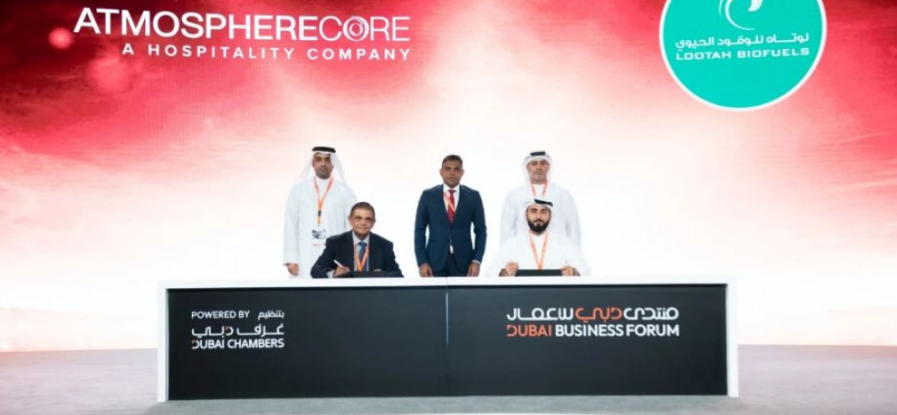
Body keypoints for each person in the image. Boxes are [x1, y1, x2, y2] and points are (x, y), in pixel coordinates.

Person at [283, 146, 357, 278]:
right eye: (319, 159)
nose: (323, 163)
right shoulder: (298, 190)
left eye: (327, 160)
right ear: (313, 163)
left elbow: (351, 226)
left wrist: (345, 258)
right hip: (304, 255)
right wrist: (291, 258)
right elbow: (290, 224)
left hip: (334, 257)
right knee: (304, 288)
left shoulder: (345, 191)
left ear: (333, 163)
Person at [414, 155, 487, 277]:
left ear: (462, 172)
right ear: (441, 172)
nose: (452, 173)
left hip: (465, 263)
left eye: (456, 169)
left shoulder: (473, 197)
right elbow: (419, 230)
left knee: (463, 291)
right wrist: (422, 262)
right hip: (433, 262)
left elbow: (481, 231)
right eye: (448, 169)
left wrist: (476, 261)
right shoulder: (428, 196)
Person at [487, 198, 589, 277]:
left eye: (543, 211)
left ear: (550, 215)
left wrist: (574, 272)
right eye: (533, 211)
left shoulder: (565, 243)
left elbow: (586, 272)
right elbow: (489, 274)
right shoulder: (512, 244)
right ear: (526, 214)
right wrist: (503, 273)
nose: (538, 216)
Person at [500, 151, 581, 246]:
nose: (539, 167)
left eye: (543, 163)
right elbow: (505, 229)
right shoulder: (515, 195)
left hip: (557, 251)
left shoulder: (563, 194)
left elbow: (573, 228)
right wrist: (506, 253)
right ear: (527, 167)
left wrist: (573, 253)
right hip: (523, 251)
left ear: (548, 166)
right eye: (534, 163)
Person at [311, 202, 402, 278]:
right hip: (345, 292)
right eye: (358, 218)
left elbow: (397, 274)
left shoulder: (384, 245)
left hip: (373, 292)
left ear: (373, 223)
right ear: (350, 220)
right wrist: (334, 274)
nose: (363, 223)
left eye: (368, 219)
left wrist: (382, 275)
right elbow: (316, 270)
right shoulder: (335, 243)